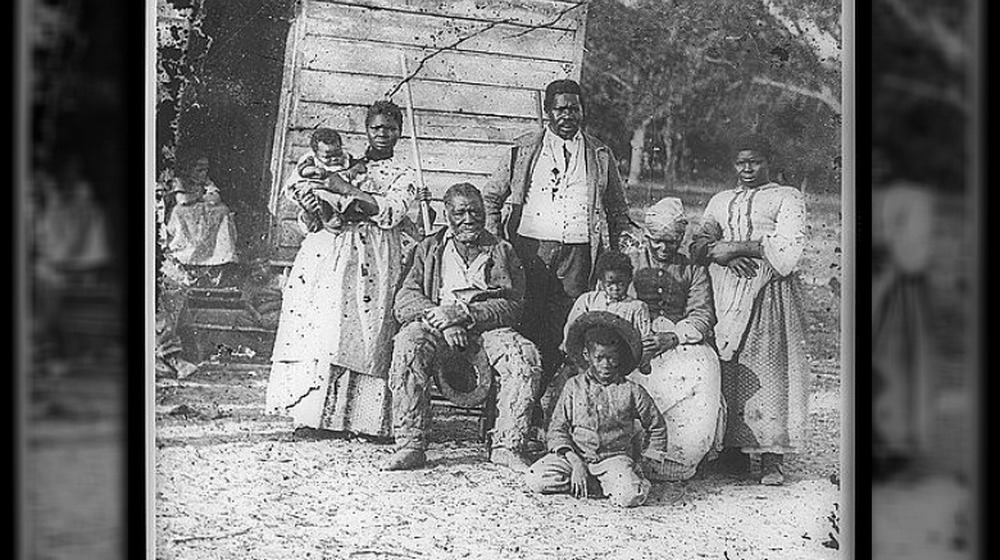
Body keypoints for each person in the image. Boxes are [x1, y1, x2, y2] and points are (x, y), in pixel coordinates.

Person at [482, 78, 635, 425]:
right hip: (530, 250)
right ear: (548, 112)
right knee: (525, 321)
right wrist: (496, 244)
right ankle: (507, 407)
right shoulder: (524, 149)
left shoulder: (599, 153)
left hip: (577, 254)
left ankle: (537, 408)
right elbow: (491, 196)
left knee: (562, 328)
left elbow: (617, 210)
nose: (568, 115)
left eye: (574, 108)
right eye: (561, 109)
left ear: (583, 111)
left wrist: (621, 244)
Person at [265, 100, 421, 440]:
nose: (383, 134)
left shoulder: (406, 173)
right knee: (324, 328)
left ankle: (364, 421)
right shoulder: (344, 160)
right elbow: (309, 217)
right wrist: (311, 207)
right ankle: (313, 417)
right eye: (376, 128)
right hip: (329, 252)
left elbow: (391, 212)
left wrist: (344, 189)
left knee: (368, 333)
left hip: (374, 255)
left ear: (400, 131)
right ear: (366, 129)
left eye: (390, 128)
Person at [382, 183, 544, 472]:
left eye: (475, 212)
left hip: (484, 328)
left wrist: (464, 314)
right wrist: (441, 317)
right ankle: (410, 443)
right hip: (435, 325)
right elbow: (405, 300)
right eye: (460, 213)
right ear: (447, 214)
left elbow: (513, 305)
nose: (469, 219)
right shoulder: (429, 248)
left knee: (523, 355)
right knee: (408, 342)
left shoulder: (501, 250)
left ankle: (508, 444)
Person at [689, 135, 810, 486]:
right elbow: (699, 243)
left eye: (754, 161)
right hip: (724, 289)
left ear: (768, 161)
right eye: (741, 162)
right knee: (729, 368)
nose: (746, 168)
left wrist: (733, 247)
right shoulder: (720, 200)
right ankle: (733, 452)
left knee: (769, 368)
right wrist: (719, 252)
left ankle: (772, 458)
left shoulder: (786, 197)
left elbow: (788, 247)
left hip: (768, 289)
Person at [625, 197, 725, 481]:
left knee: (702, 367)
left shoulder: (691, 267)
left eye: (671, 242)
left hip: (678, 338)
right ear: (646, 236)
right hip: (636, 334)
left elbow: (702, 314)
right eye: (657, 240)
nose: (663, 248)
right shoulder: (631, 261)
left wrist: (672, 337)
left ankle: (679, 457)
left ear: (681, 239)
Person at [526, 311, 668, 508]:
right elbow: (557, 428)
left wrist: (645, 462)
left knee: (629, 497)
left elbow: (657, 425)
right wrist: (575, 463)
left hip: (614, 459)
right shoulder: (573, 386)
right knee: (536, 479)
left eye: (612, 358)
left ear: (620, 357)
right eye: (599, 357)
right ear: (587, 355)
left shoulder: (631, 390)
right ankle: (591, 481)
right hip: (576, 456)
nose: (606, 364)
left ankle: (618, 481)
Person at [872, 154, 934, 478]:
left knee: (892, 367)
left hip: (896, 295)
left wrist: (886, 245)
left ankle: (891, 447)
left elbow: (913, 255)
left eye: (881, 159)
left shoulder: (911, 197)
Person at [164, 155, 239, 283]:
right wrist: (201, 195)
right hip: (186, 212)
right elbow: (183, 200)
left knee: (223, 210)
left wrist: (203, 197)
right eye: (199, 170)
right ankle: (187, 253)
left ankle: (217, 255)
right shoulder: (180, 181)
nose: (203, 174)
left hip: (202, 211)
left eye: (205, 170)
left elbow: (215, 197)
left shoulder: (206, 182)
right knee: (179, 213)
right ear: (189, 169)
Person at [285, 127, 360, 233]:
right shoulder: (312, 160)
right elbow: (302, 170)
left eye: (337, 154)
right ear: (316, 154)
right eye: (328, 157)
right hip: (320, 189)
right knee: (321, 201)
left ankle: (340, 218)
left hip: (341, 193)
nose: (334, 159)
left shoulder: (347, 158)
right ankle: (328, 221)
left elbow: (359, 165)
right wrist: (314, 170)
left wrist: (353, 170)